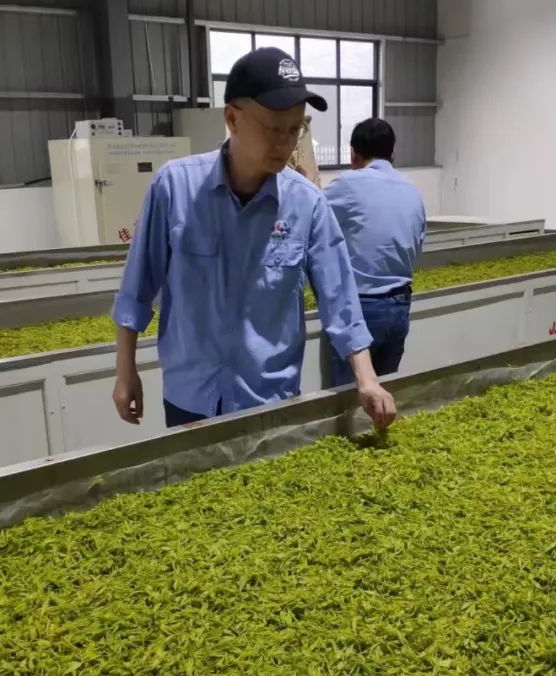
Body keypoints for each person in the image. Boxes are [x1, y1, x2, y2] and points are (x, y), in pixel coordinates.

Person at [111, 47, 397, 430]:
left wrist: (367, 379)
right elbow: (136, 288)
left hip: (270, 400)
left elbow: (340, 299)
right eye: (274, 129)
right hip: (191, 398)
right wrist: (125, 370)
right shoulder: (174, 188)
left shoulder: (307, 203)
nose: (286, 143)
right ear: (232, 118)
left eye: (295, 129)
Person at [323, 118, 427, 387]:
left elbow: (311, 214)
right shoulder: (412, 191)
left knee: (349, 397)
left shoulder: (347, 185)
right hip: (400, 307)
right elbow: (417, 246)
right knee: (383, 392)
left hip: (361, 311)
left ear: (352, 154)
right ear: (393, 153)